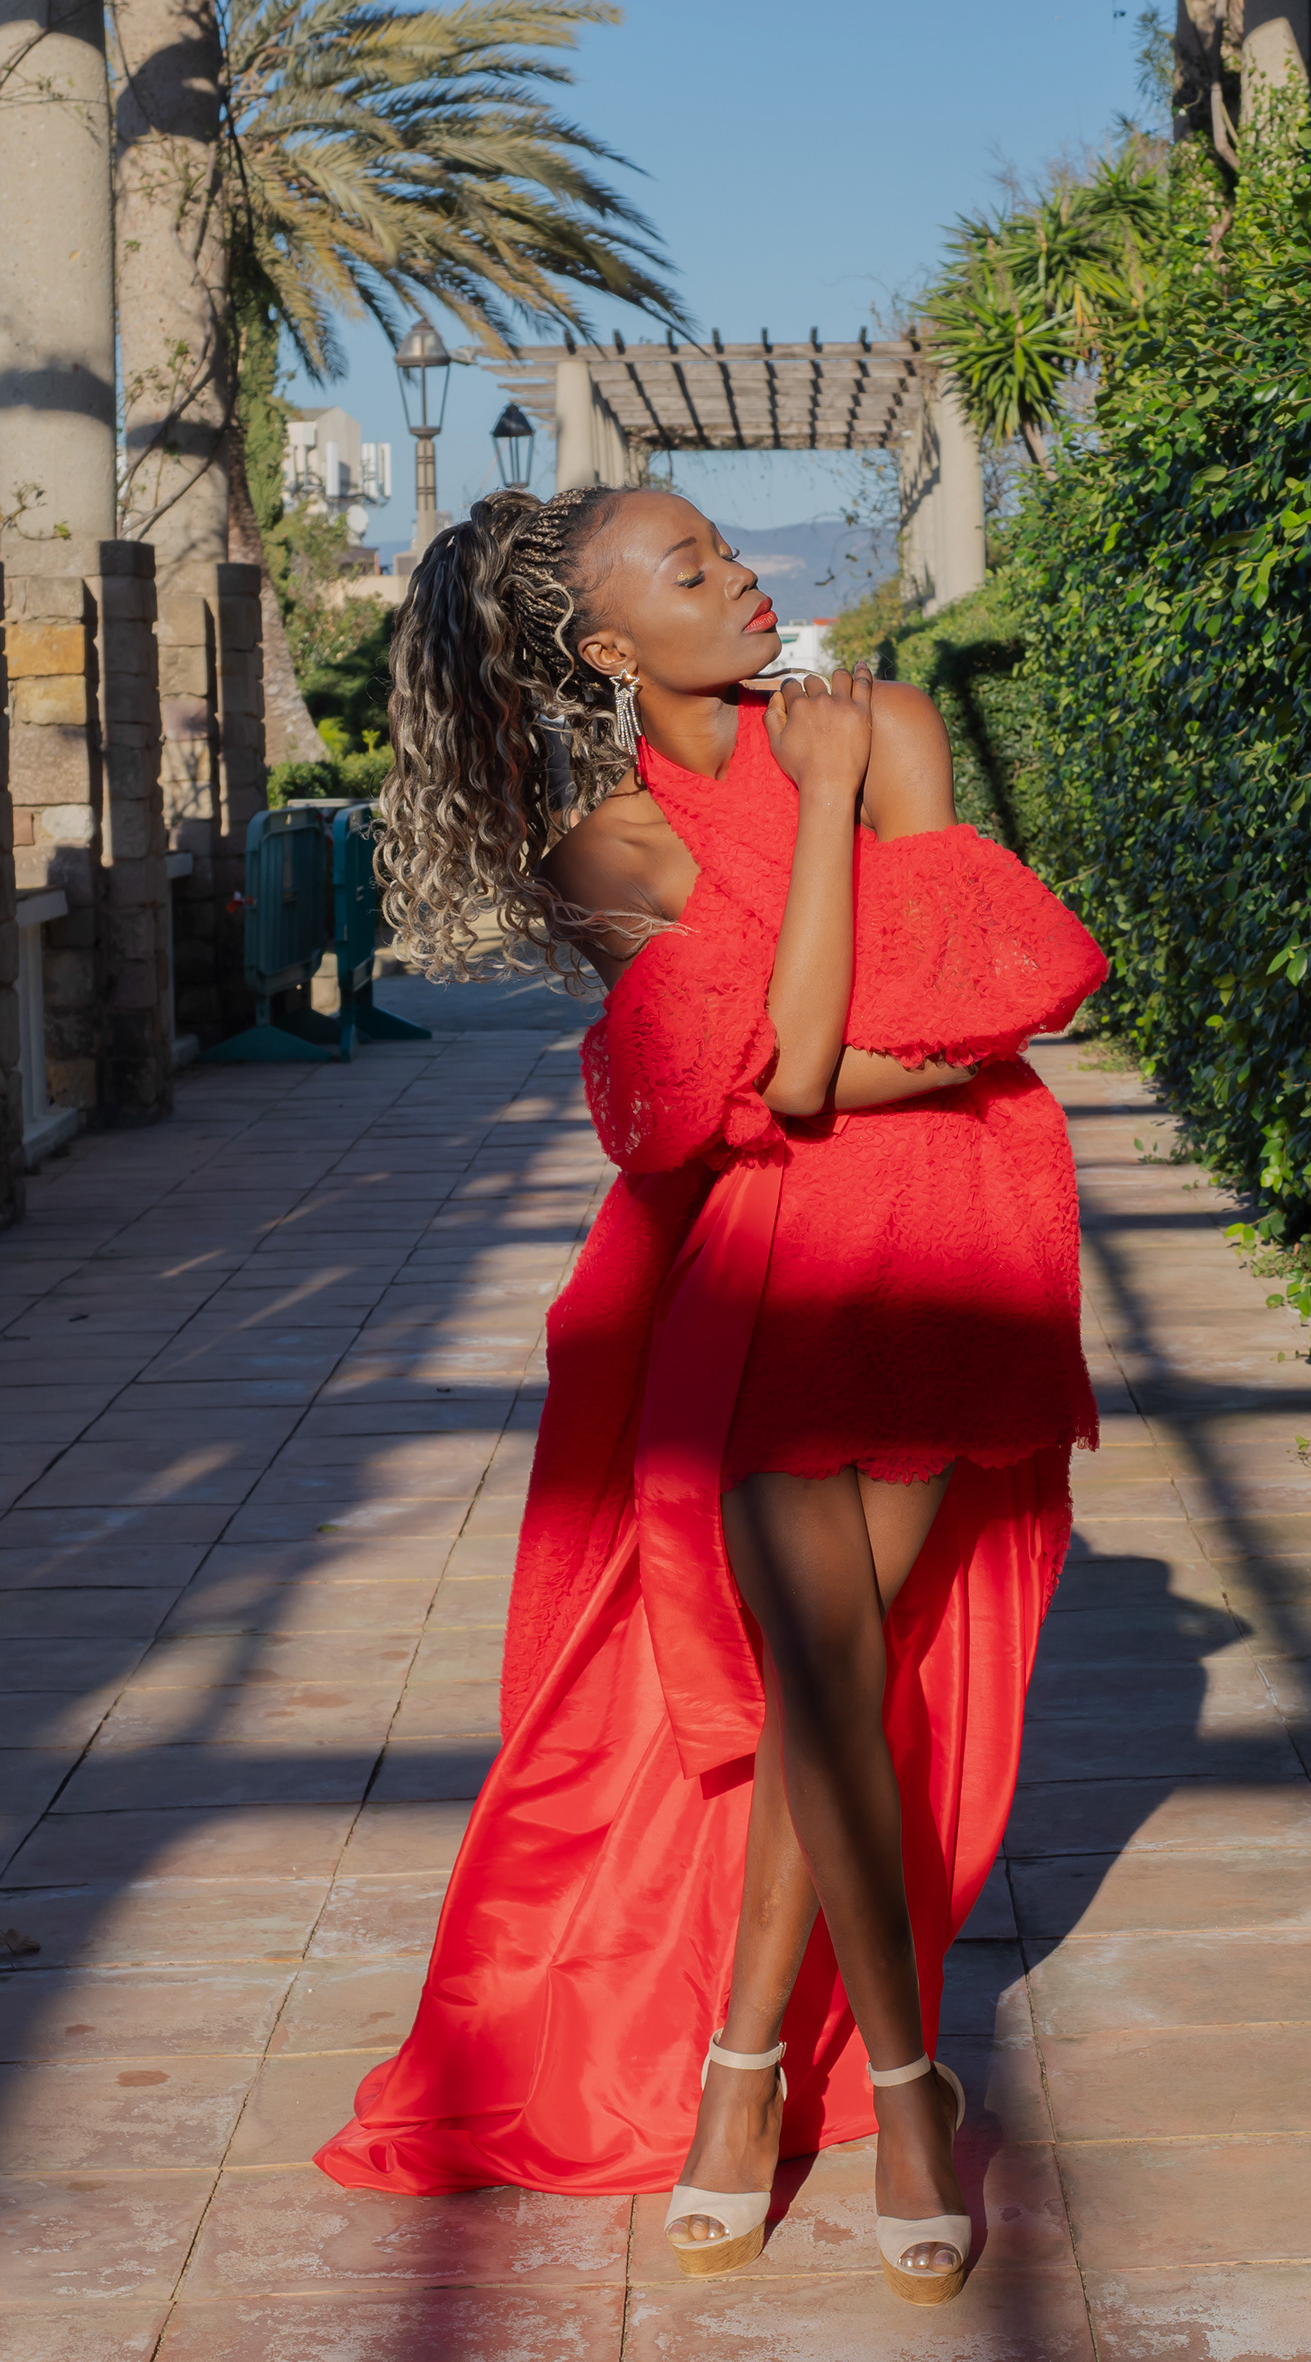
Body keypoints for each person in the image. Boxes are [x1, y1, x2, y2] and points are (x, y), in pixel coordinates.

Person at [313, 485, 1105, 2306]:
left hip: (953, 1251)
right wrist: (824, 851)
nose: (745, 581)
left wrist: (821, 1023)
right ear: (606, 645)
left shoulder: (891, 720)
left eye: (733, 552)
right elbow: (821, 1061)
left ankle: (749, 2083)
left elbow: (970, 1013)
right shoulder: (603, 848)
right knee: (821, 1679)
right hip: (750, 1284)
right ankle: (903, 2092)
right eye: (693, 572)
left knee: (842, 1677)